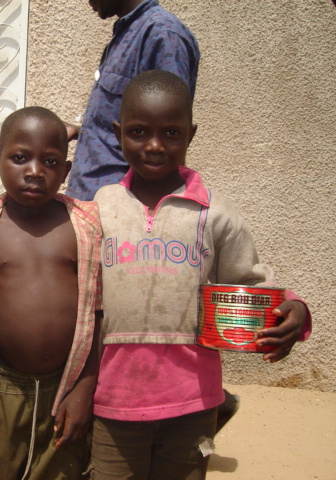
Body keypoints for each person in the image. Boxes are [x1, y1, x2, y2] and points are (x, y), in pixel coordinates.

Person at [90, 70, 311, 479]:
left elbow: (251, 282)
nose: (155, 145)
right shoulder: (100, 208)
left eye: (171, 133)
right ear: (119, 133)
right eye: (139, 131)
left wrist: (292, 308)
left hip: (192, 399)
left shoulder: (215, 214)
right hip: (113, 397)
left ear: (190, 135)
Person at [0, 106, 103, 480]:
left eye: (50, 161)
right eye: (20, 158)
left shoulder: (88, 227)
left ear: (65, 172)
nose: (35, 171)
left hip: (66, 388)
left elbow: (99, 313)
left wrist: (85, 389)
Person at [65, 0, 200, 202]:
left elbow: (169, 138)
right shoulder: (127, 32)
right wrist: (81, 131)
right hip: (92, 204)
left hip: (123, 214)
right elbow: (129, 127)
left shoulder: (162, 36)